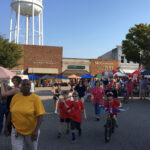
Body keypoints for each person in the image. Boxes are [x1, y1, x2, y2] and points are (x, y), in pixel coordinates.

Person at [4, 79, 46, 150]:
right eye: (23, 85)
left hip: (31, 131)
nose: (26, 86)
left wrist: (36, 130)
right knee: (16, 148)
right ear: (20, 86)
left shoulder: (36, 98)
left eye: (28, 84)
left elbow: (40, 115)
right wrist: (6, 126)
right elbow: (11, 112)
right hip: (16, 130)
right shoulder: (15, 97)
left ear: (30, 86)